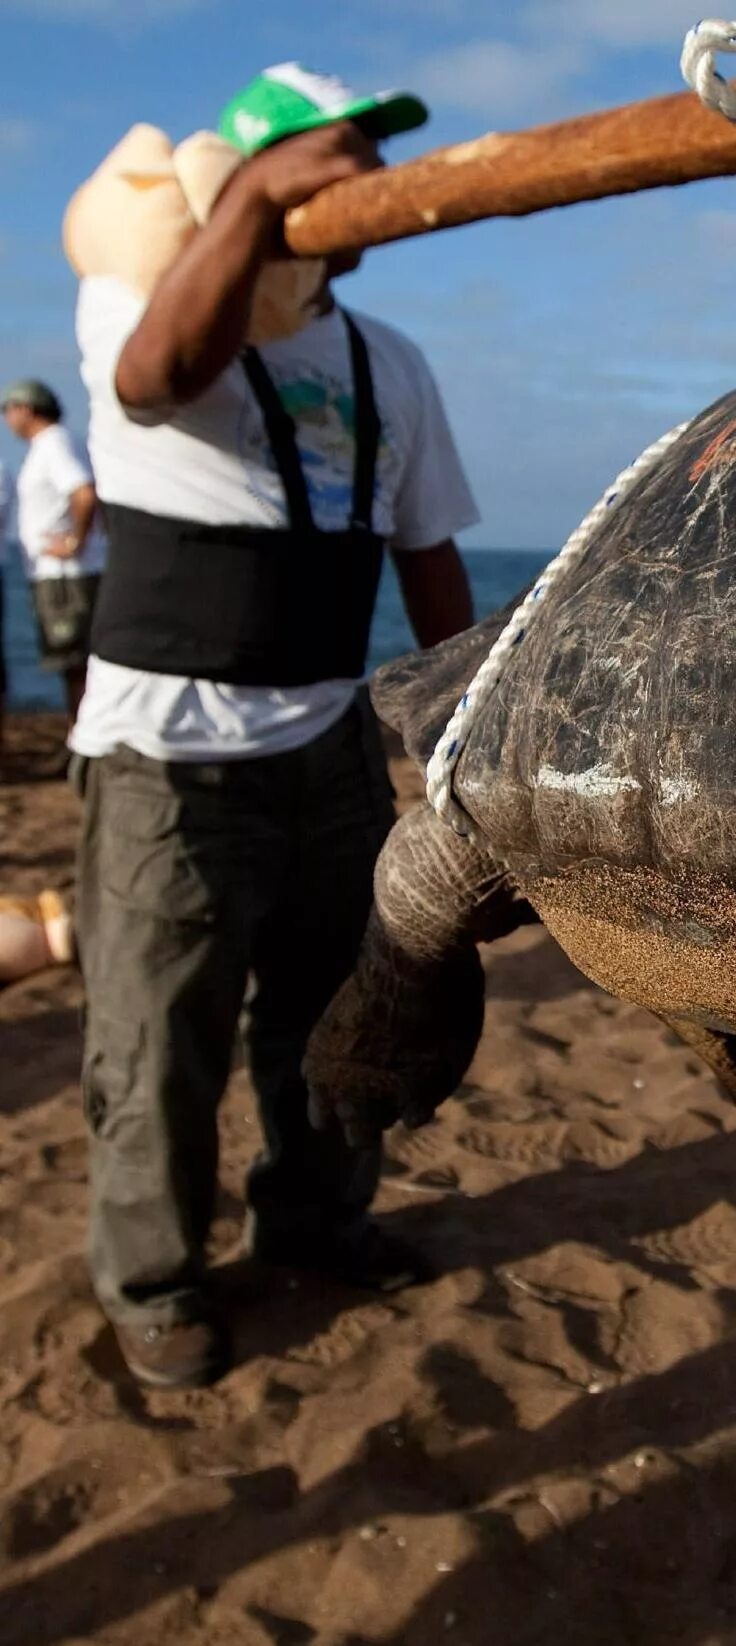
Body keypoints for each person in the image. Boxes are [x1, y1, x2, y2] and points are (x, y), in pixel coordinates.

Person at [70, 64, 476, 1389]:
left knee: (329, 1022)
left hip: (328, 754)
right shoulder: (141, 296)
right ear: (254, 168)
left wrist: (463, 745)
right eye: (335, 151)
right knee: (157, 1045)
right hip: (164, 764)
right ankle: (155, 1279)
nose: (364, 170)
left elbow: (426, 561)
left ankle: (315, 1218)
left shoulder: (388, 362)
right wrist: (246, 210)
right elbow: (152, 379)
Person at [6, 379, 110, 727]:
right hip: (64, 572)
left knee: (75, 662)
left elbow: (84, 493)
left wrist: (74, 542)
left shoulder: (54, 445)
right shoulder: (57, 443)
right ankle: (82, 738)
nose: (6, 420)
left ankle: (85, 741)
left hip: (66, 575)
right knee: (76, 662)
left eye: (8, 410)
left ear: (26, 408)